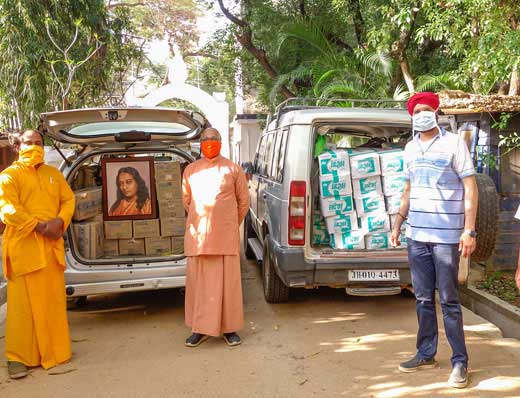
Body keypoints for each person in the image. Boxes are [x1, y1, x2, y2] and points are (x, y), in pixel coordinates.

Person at [390, 92, 478, 389]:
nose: (422, 115)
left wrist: (469, 230)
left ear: (436, 112)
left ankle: (460, 362)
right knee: (423, 299)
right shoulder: (410, 148)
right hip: (417, 236)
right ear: (412, 117)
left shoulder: (454, 143)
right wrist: (397, 224)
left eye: (427, 109)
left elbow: (471, 187)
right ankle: (426, 353)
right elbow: (407, 189)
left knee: (449, 300)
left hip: (446, 238)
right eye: (417, 111)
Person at [0, 129, 75, 379]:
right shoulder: (9, 176)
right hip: (24, 246)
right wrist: (39, 225)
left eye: (38, 143)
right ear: (17, 147)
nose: (34, 146)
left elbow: (68, 200)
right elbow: (7, 209)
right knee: (22, 308)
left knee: (52, 301)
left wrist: (60, 222)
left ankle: (56, 350)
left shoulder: (54, 174)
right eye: (28, 143)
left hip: (51, 246)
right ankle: (18, 358)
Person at [182, 127, 250, 347]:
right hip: (199, 237)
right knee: (199, 286)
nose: (209, 142)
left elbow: (244, 202)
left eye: (213, 139)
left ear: (220, 142)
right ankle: (198, 329)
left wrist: (228, 224)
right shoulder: (191, 170)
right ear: (200, 144)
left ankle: (229, 329)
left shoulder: (233, 169)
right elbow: (186, 201)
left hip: (225, 238)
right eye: (205, 139)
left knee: (227, 286)